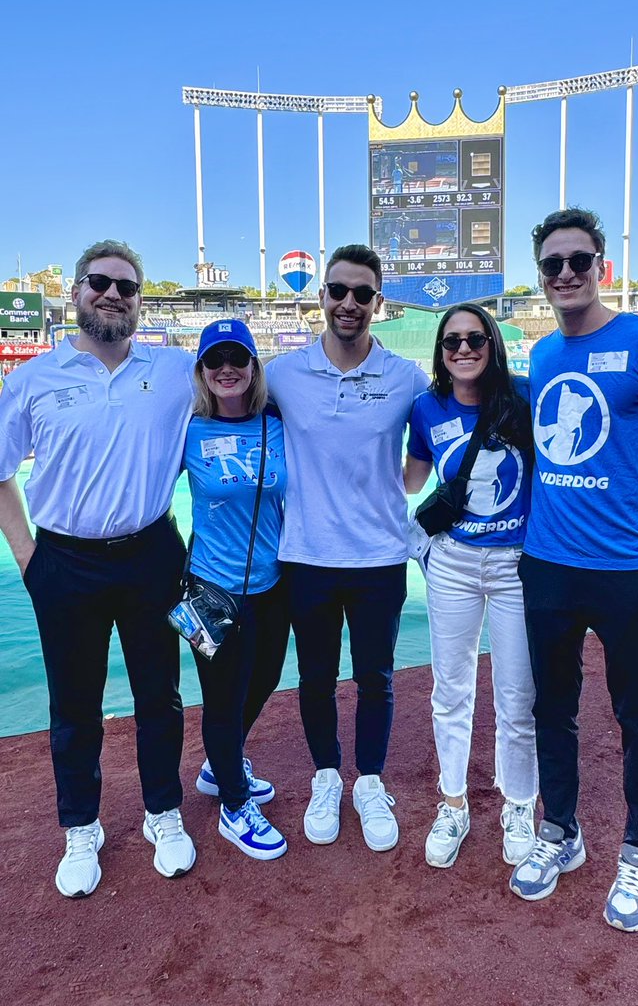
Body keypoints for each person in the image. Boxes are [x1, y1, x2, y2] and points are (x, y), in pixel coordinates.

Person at [509, 208, 638, 932]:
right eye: (551, 264)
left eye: (577, 261)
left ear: (602, 268)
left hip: (626, 571)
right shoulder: (540, 356)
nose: (564, 274)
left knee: (637, 716)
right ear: (542, 277)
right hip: (548, 567)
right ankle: (560, 831)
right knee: (549, 710)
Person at [0, 239, 197, 898]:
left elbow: (246, 387)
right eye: (99, 282)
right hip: (65, 561)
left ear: (139, 301)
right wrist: (28, 557)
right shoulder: (32, 379)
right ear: (76, 292)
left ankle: (162, 813)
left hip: (150, 554)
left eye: (126, 286)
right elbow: (1, 472)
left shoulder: (173, 370)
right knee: (74, 707)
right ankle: (80, 826)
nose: (112, 294)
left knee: (160, 698)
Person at [266, 244, 429, 853]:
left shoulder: (406, 378)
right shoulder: (284, 372)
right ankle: (326, 777)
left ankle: (370, 783)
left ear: (378, 303)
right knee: (314, 678)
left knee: (376, 679)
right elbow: (217, 399)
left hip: (380, 558)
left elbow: (468, 413)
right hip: (305, 556)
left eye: (363, 294)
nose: (350, 303)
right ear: (322, 296)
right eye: (339, 291)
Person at [405, 304, 538, 869]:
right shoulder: (425, 408)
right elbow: (408, 481)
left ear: (492, 343)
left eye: (474, 338)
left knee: (517, 696)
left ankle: (519, 805)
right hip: (454, 564)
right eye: (451, 341)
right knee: (451, 689)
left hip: (515, 565)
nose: (463, 349)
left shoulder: (525, 396)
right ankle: (453, 802)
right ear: (440, 351)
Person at [183, 319, 289, 860]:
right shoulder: (187, 428)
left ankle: (220, 761)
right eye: (215, 360)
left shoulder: (277, 424)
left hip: (271, 584)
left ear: (253, 367)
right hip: (209, 588)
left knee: (266, 677)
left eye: (238, 358)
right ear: (202, 371)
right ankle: (232, 802)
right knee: (222, 698)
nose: (227, 368)